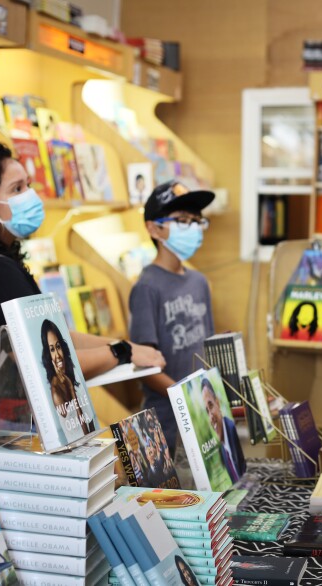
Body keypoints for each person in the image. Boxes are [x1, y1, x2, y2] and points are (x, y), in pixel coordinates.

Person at [0, 143, 165, 430]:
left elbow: (55, 335)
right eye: (16, 189)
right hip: (5, 430)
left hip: (13, 423)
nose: (30, 196)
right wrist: (121, 353)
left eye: (28, 186)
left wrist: (124, 346)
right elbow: (42, 361)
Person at [129, 180, 216, 456]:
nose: (191, 227)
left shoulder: (199, 281)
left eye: (195, 220)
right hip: (165, 419)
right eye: (181, 220)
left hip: (203, 413)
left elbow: (208, 348)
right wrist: (188, 398)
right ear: (154, 228)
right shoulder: (147, 287)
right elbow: (145, 364)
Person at [40, 319, 94, 442]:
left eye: (58, 347)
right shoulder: (56, 392)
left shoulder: (72, 370)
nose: (57, 355)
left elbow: (91, 424)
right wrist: (71, 390)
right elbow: (85, 435)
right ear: (48, 354)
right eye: (52, 349)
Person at [201, 378, 245, 482]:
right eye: (206, 411)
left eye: (211, 406)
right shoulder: (218, 447)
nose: (211, 416)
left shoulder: (232, 428)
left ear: (218, 403)